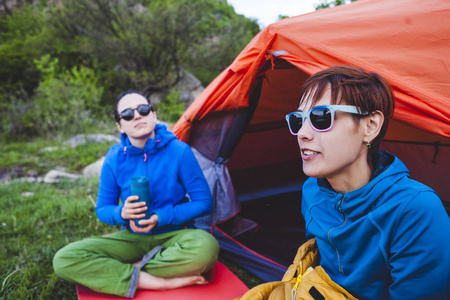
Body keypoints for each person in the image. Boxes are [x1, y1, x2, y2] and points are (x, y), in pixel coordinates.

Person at [285, 66, 450, 299]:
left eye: (321, 117)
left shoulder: (415, 211)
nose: (302, 133)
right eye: (298, 120)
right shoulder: (312, 191)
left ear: (370, 126)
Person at [53, 91, 219, 298]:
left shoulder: (179, 151)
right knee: (64, 258)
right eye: (128, 114)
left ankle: (124, 271)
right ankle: (157, 281)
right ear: (120, 126)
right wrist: (123, 213)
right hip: (133, 237)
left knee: (206, 248)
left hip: (176, 235)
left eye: (143, 109)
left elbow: (204, 202)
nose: (138, 116)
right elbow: (103, 210)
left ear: (153, 115)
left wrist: (161, 217)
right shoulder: (114, 158)